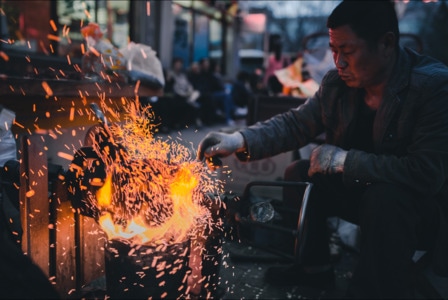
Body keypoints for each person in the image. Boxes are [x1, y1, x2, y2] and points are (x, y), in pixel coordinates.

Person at [197, 1, 448, 298]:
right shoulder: (337, 85)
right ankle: (314, 269)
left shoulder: (432, 87)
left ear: (386, 43)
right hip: (363, 192)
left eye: (348, 51)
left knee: (385, 196)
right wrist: (238, 140)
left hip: (417, 210)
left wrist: (344, 161)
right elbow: (296, 124)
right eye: (333, 50)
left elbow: (427, 173)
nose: (338, 62)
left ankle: (373, 289)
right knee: (300, 174)